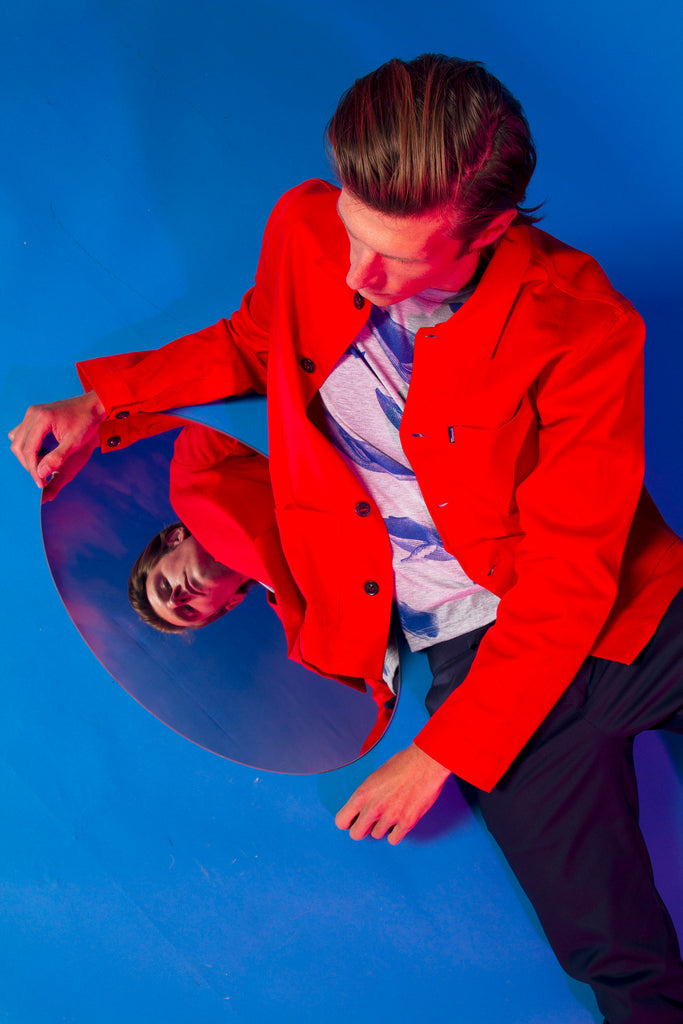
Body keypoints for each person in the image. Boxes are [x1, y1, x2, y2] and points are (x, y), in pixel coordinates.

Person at [9, 54, 683, 1021]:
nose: (357, 277)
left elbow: (573, 575)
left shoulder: (583, 326)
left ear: (492, 231)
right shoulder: (307, 228)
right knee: (617, 963)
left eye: (397, 257)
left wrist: (443, 752)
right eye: (351, 236)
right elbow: (257, 339)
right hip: (471, 649)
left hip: (629, 612)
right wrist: (104, 398)